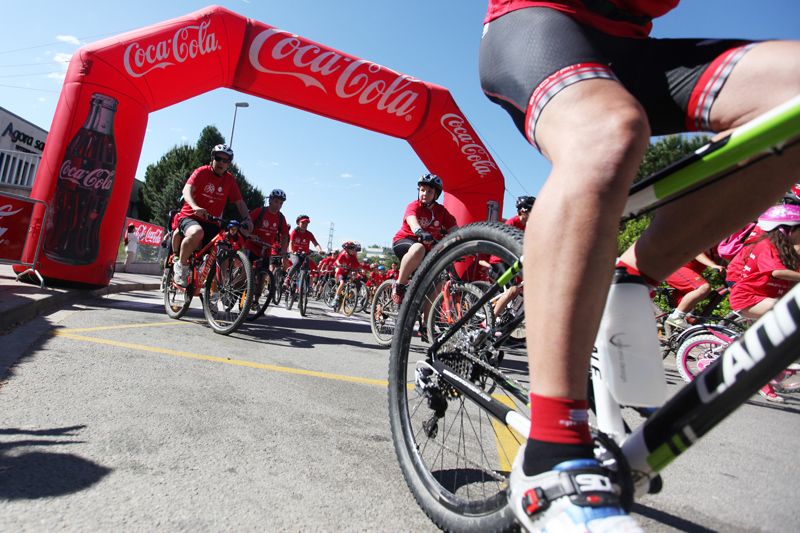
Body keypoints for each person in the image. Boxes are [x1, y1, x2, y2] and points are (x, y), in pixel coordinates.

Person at [480, 2, 800, 530]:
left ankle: (629, 274)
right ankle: (550, 453)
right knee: (607, 132)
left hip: (629, 45)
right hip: (539, 23)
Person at [729, 204, 800, 402]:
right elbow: (777, 272)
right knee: (784, 318)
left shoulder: (788, 249)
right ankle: (765, 374)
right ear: (787, 229)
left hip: (767, 297)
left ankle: (770, 368)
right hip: (748, 298)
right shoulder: (766, 245)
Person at [171, 144, 253, 286]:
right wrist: (195, 207)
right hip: (190, 216)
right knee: (197, 232)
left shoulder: (229, 180)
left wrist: (248, 219)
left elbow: (240, 203)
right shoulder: (202, 171)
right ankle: (181, 266)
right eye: (218, 158)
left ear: (229, 164)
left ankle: (218, 288)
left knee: (225, 247)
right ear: (212, 158)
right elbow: (186, 190)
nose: (221, 162)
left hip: (212, 221)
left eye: (226, 160)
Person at [391, 173, 458, 305]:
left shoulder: (441, 211)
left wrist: (463, 243)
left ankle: (428, 318)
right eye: (422, 190)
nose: (425, 194)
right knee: (418, 248)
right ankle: (399, 285)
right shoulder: (414, 205)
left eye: (429, 191)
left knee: (438, 280)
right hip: (405, 241)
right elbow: (412, 220)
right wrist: (419, 231)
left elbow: (455, 230)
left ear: (436, 195)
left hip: (426, 249)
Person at [663, 252, 725, 329]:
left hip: (688, 274)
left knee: (689, 317)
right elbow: (698, 252)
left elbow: (723, 264)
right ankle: (676, 317)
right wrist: (713, 265)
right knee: (704, 287)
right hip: (676, 268)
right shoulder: (709, 244)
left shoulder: (718, 249)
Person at [244, 189, 289, 269]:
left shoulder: (281, 218)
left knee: (264, 274)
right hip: (252, 246)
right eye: (276, 201)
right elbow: (245, 224)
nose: (278, 205)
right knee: (247, 271)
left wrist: (283, 250)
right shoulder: (259, 211)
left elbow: (285, 235)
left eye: (281, 203)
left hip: (266, 250)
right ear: (270, 200)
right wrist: (249, 235)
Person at [286, 215, 324, 287]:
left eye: (306, 223)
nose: (305, 225)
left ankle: (304, 287)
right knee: (297, 262)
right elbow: (291, 242)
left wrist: (319, 250)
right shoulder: (294, 232)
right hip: (295, 253)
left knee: (307, 267)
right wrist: (291, 250)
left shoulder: (309, 234)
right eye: (303, 223)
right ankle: (287, 279)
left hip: (305, 254)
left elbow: (315, 243)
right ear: (298, 223)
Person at [332, 241, 362, 309]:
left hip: (347, 272)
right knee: (342, 283)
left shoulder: (353, 256)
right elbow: (337, 261)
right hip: (340, 272)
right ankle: (335, 299)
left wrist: (361, 269)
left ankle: (349, 293)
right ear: (347, 249)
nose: (354, 250)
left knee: (353, 277)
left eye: (354, 248)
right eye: (352, 248)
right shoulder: (343, 254)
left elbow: (357, 265)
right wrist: (339, 265)